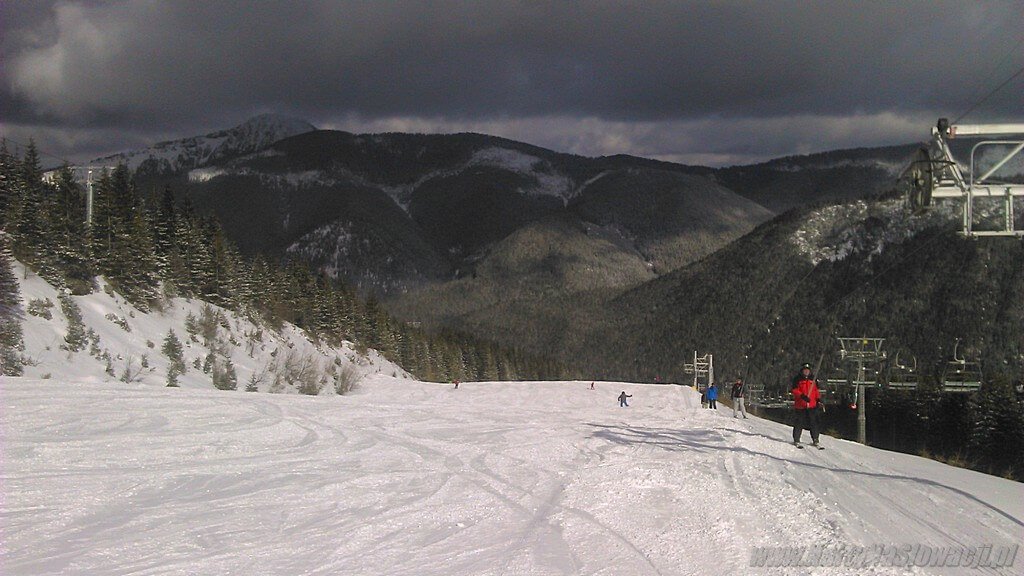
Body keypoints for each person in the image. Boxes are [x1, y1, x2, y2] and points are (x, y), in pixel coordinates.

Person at [792, 363, 822, 447]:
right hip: (801, 405)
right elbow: (795, 390)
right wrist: (802, 396)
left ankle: (815, 439)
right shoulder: (797, 379)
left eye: (808, 370)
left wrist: (818, 399)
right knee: (799, 422)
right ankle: (796, 439)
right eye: (805, 370)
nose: (806, 372)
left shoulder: (813, 379)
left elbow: (816, 391)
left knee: (814, 422)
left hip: (812, 405)